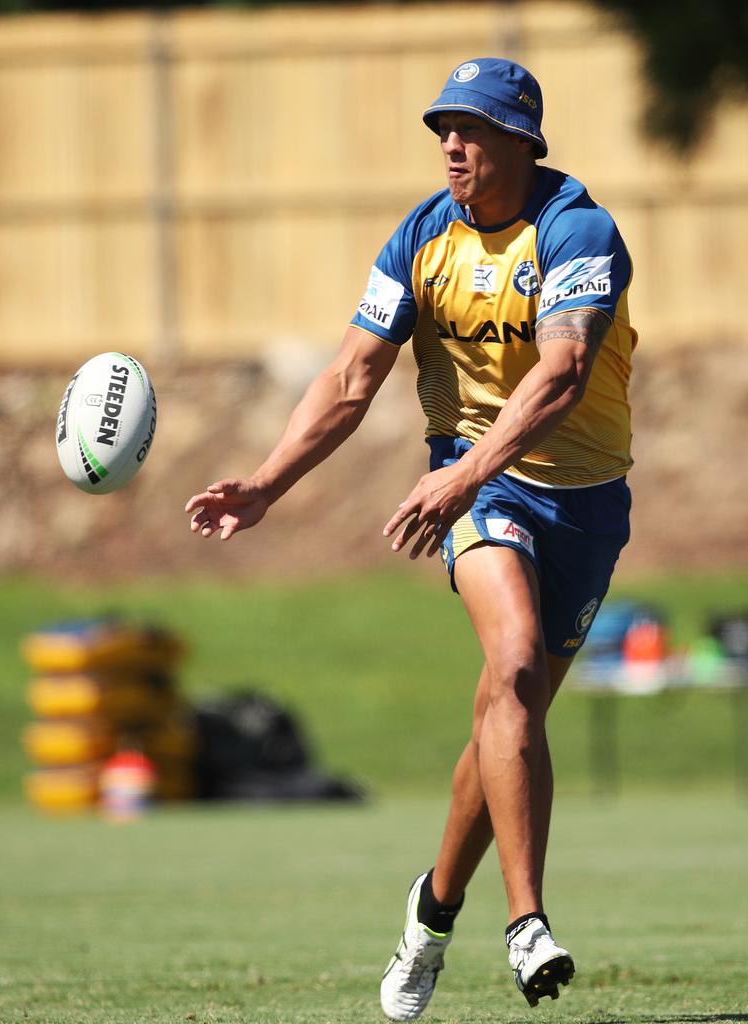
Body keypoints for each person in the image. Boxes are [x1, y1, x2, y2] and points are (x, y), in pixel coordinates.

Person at [185, 57, 636, 1021]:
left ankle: (431, 913)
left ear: (523, 139)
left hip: (586, 502)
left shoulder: (577, 231)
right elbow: (352, 377)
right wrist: (267, 482)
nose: (451, 146)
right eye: (443, 129)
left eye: (471, 129)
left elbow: (561, 378)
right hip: (482, 485)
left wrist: (460, 473)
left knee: (504, 720)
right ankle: (528, 927)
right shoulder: (420, 238)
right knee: (512, 664)